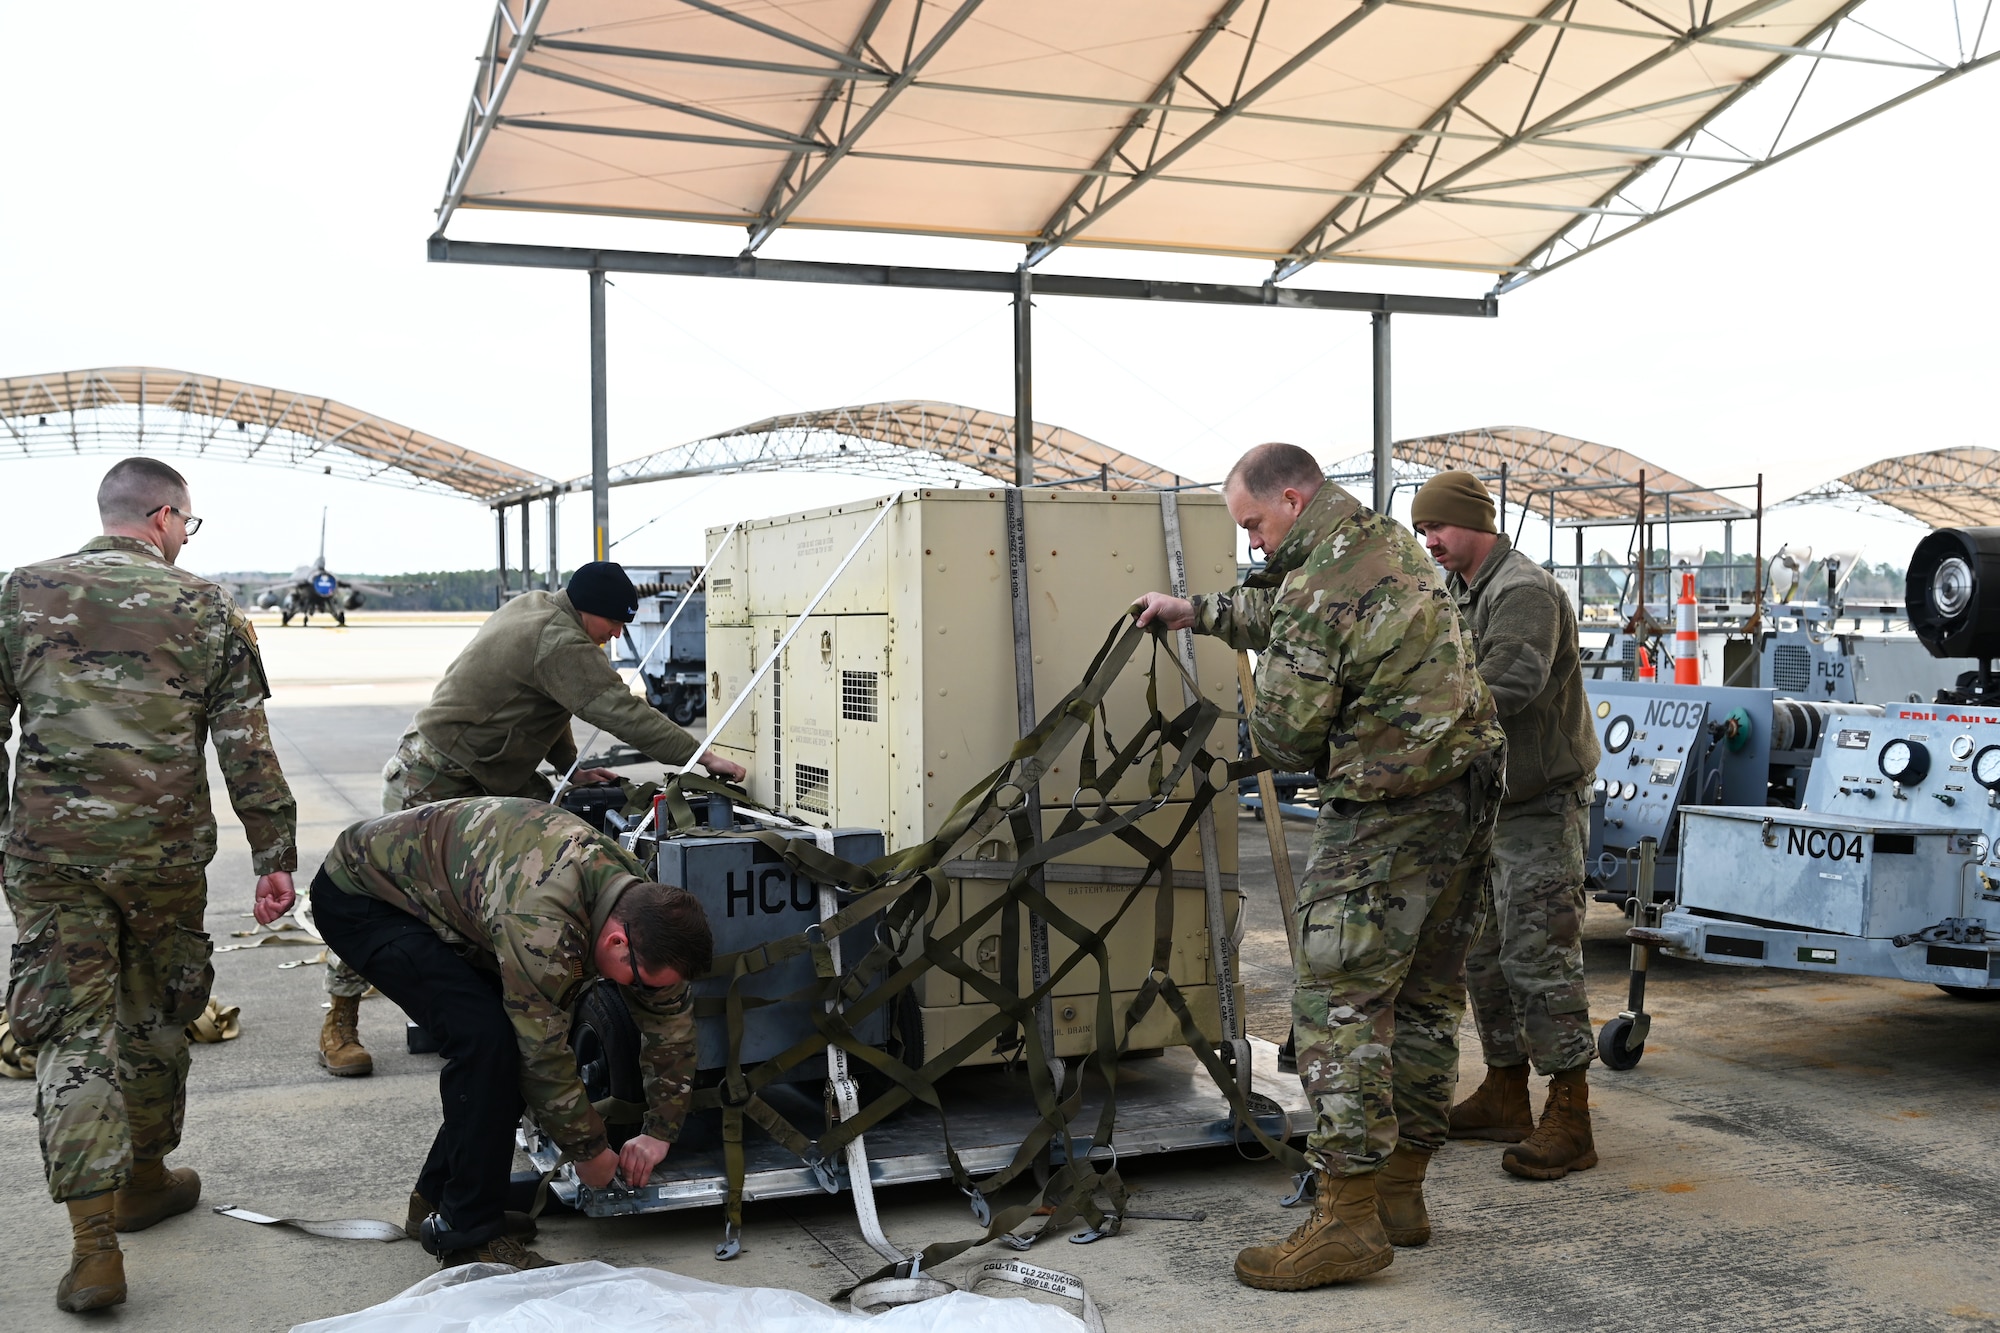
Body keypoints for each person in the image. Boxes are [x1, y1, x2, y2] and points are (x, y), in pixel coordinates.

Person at [1134, 443, 1504, 1292]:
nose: (1254, 543)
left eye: (1256, 525)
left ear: (1293, 501)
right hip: (1465, 795)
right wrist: (1195, 612)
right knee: (1422, 1000)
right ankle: (1399, 1196)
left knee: (1339, 1004)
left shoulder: (1319, 581)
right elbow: (1295, 616)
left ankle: (1343, 1219)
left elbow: (1288, 735)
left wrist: (1197, 746)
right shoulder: (1374, 541)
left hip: (1388, 808)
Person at [1, 457, 298, 1314]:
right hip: (163, 857)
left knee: (69, 1032)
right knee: (157, 1013)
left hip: (52, 858)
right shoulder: (205, 606)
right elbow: (246, 742)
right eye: (187, 525)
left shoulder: (19, 591)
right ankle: (141, 1174)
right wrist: (273, 853)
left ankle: (94, 1249)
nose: (184, 540)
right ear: (164, 516)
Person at [317, 560, 744, 1079]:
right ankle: (340, 1020)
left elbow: (551, 703)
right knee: (391, 899)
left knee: (486, 898)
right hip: (435, 775)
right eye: (614, 623)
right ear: (590, 612)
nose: (617, 635)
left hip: (488, 772)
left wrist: (571, 769)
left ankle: (460, 1013)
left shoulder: (541, 611)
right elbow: (618, 711)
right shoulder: (557, 640)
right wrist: (702, 756)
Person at [280, 796, 710, 1268]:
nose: (643, 994)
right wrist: (589, 1151)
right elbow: (541, 1054)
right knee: (489, 1042)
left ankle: (439, 1198)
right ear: (616, 942)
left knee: (499, 1040)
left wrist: (661, 1130)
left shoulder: (643, 907)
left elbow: (669, 1019)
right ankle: (467, 1234)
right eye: (640, 982)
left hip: (446, 893)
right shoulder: (543, 921)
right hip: (364, 896)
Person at [1410, 471, 1603, 1180]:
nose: (1429, 540)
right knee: (1484, 957)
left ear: (1474, 523)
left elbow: (1508, 684)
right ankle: (1503, 1089)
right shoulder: (1462, 588)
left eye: (1439, 527)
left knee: (1538, 954)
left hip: (1538, 805)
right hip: (1491, 803)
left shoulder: (1521, 591)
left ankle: (1572, 1113)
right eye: (1422, 529)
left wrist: (1410, 715)